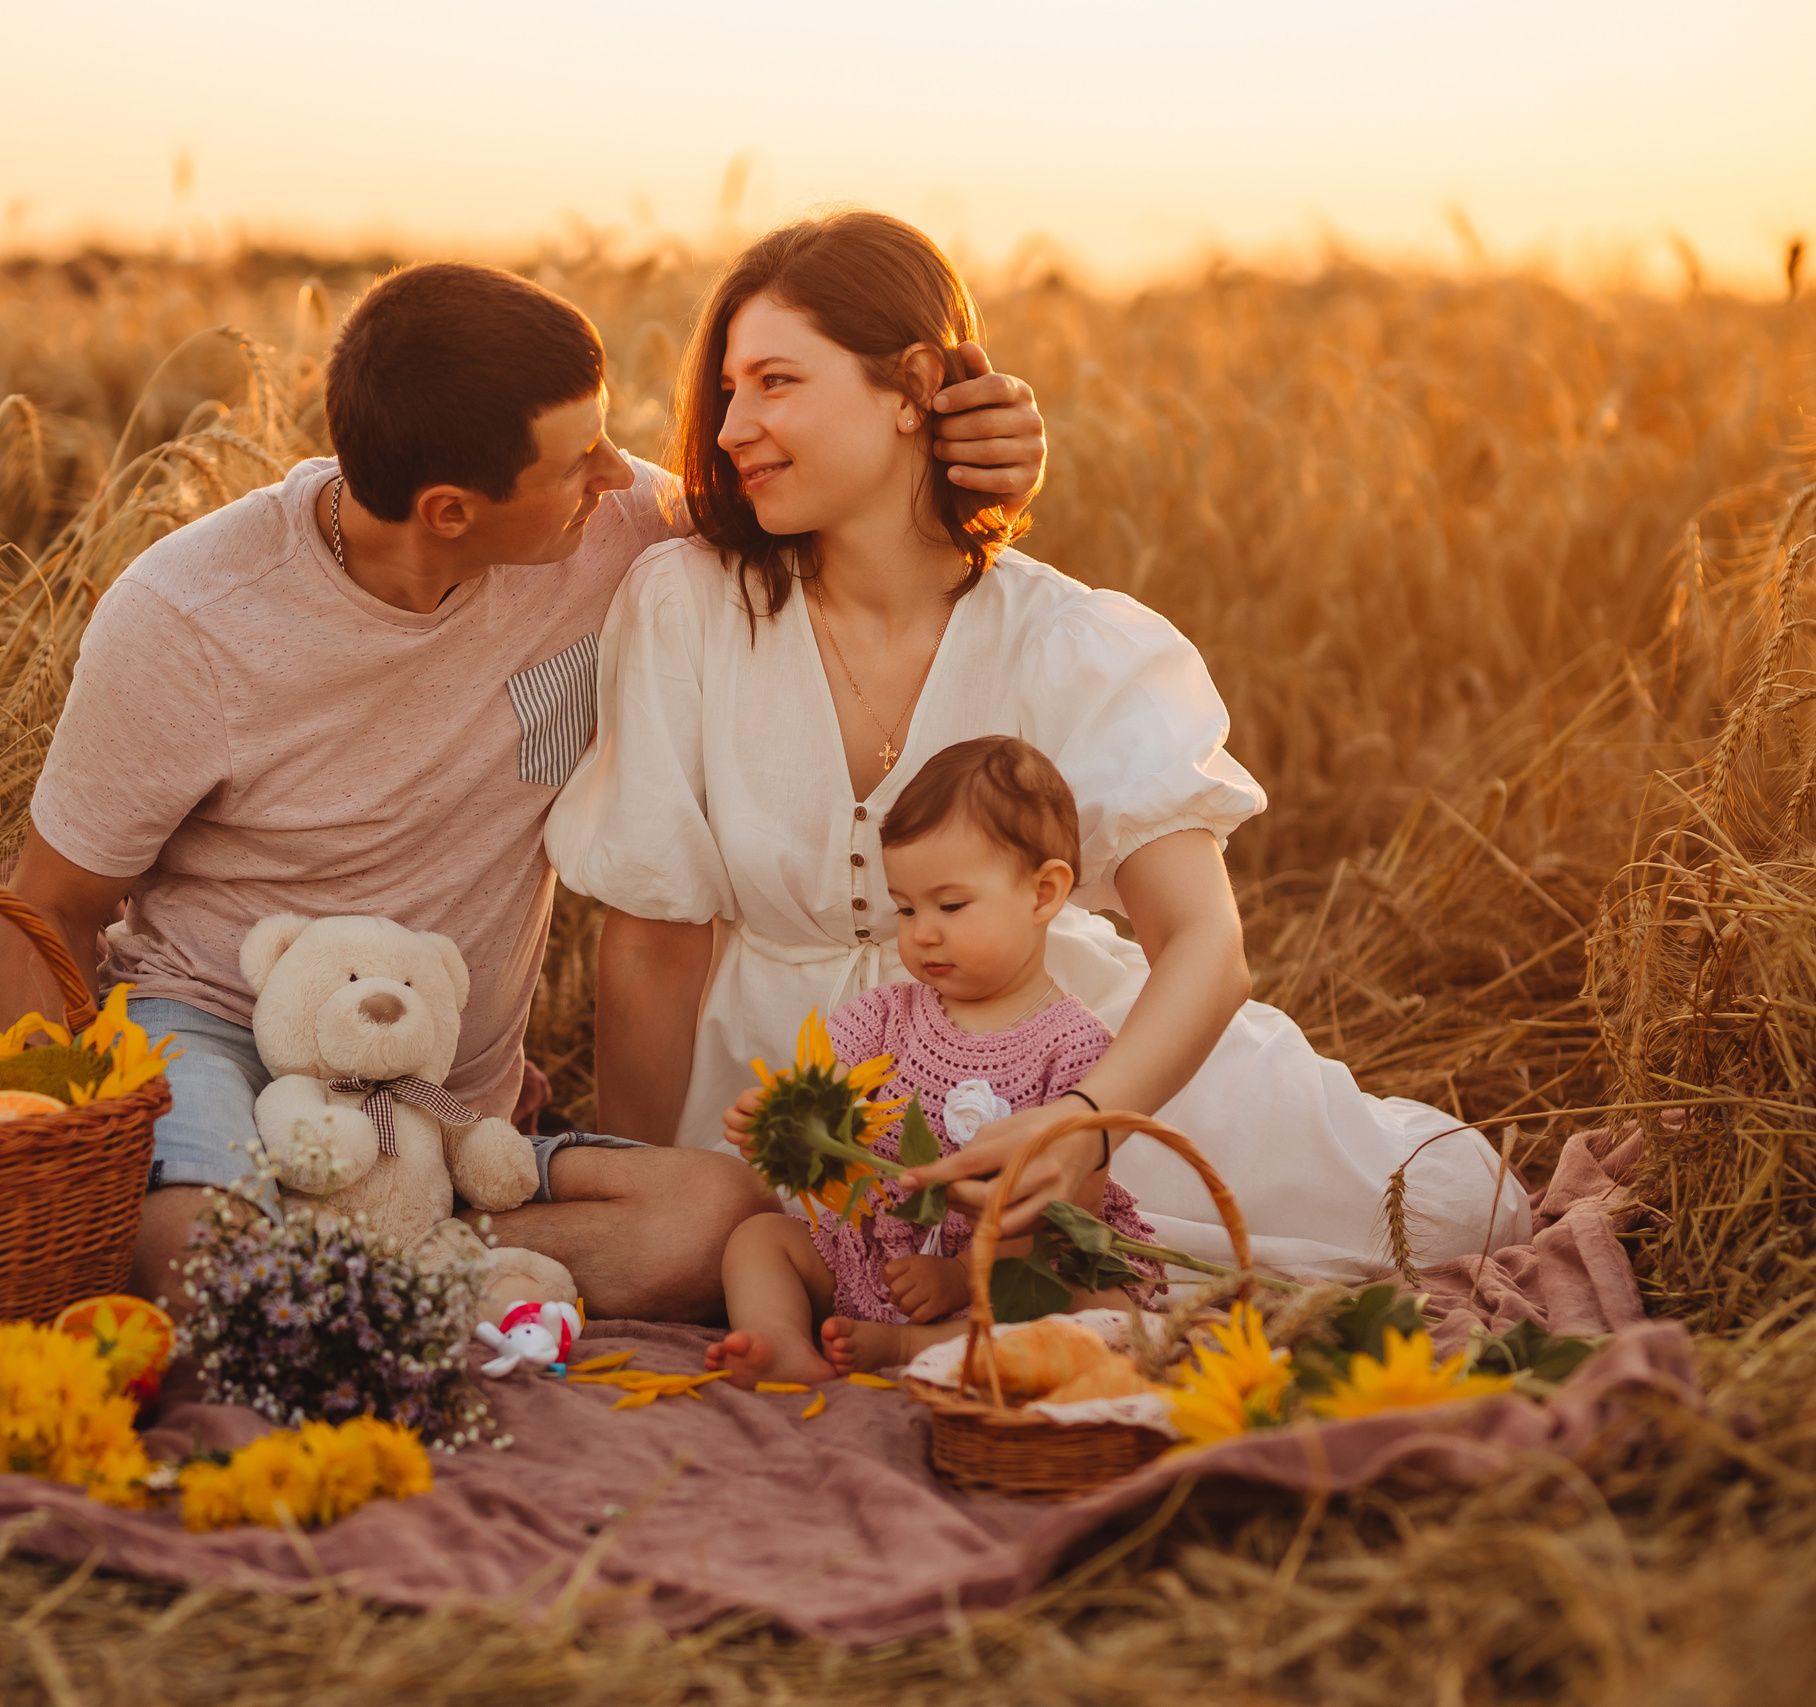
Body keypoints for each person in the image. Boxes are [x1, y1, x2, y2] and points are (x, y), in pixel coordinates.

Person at [0, 258, 1052, 1321]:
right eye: (578, 461)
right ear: (450, 511)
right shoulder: (188, 618)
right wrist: (63, 1145)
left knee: (709, 1218)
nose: (618, 475)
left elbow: (829, 509)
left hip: (443, 1100)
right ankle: (327, 1275)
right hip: (218, 1028)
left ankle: (326, 1284)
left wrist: (980, 459)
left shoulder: (616, 529)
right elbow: (46, 912)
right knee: (195, 1250)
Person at [546, 210, 1531, 1281]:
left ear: (914, 384)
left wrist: (1087, 1126)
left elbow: (1204, 942)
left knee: (1451, 1210)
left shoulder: (1071, 643)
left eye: (777, 382)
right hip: (779, 1092)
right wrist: (643, 1178)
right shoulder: (687, 606)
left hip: (1036, 1050)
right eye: (728, 390)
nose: (732, 426)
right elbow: (650, 944)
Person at [705, 736, 1163, 1387]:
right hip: (882, 1252)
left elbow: (1066, 1205)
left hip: (1006, 1271)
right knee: (757, 1239)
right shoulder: (885, 1016)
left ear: (1042, 893)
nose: (922, 931)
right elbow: (828, 1106)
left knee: (1098, 1311)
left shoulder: (1077, 1049)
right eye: (907, 907)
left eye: (950, 905)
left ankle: (908, 1346)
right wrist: (781, 1120)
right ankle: (780, 1340)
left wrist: (959, 1273)